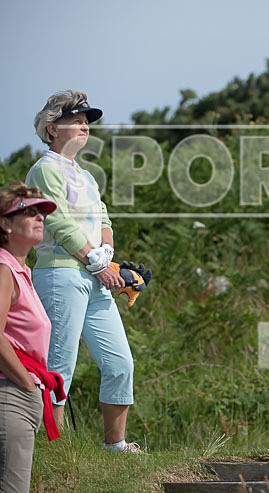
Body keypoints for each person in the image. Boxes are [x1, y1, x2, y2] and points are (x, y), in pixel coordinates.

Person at [25, 90, 141, 453]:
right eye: (75, 120)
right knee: (61, 363)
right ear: (51, 127)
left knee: (120, 361)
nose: (84, 126)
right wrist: (99, 262)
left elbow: (104, 217)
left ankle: (115, 445)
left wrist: (106, 251)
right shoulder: (43, 169)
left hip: (93, 276)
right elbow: (57, 222)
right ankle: (53, 446)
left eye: (86, 120)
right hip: (61, 274)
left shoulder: (86, 176)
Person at [0, 182, 64, 492]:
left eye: (41, 212)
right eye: (28, 211)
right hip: (10, 393)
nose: (39, 217)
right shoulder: (3, 269)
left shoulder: (21, 271)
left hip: (20, 393)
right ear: (5, 223)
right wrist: (26, 383)